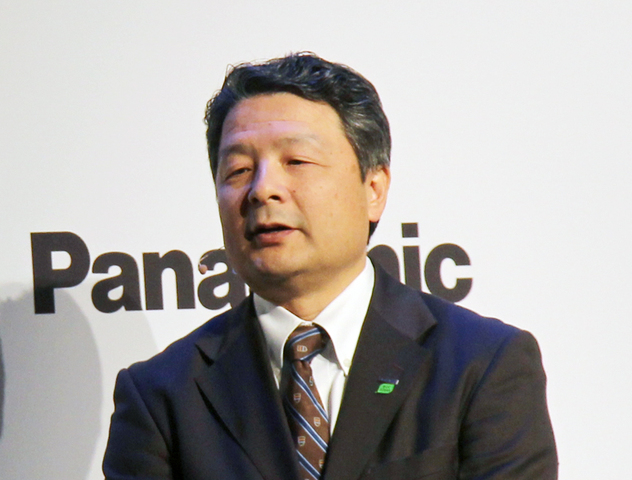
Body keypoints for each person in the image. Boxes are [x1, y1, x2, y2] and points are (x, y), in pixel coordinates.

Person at [103, 53, 557, 480]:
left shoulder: (482, 365)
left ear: (373, 189)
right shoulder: (161, 397)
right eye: (238, 170)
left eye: (296, 161)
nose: (263, 189)